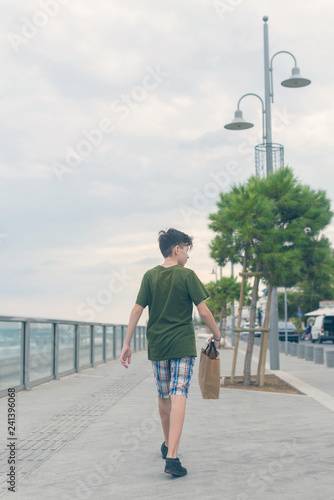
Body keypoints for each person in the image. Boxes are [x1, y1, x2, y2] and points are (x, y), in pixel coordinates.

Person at [120, 228, 222, 477]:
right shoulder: (187, 276)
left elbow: (136, 311)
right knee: (179, 397)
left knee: (164, 397)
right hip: (181, 345)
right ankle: (173, 458)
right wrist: (217, 335)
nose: (187, 255)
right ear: (177, 249)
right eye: (186, 249)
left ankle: (168, 446)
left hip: (157, 346)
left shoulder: (149, 276)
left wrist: (126, 343)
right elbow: (204, 312)